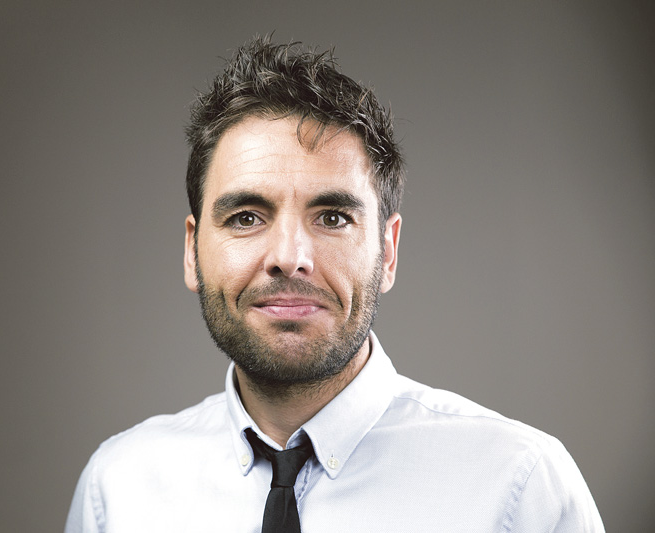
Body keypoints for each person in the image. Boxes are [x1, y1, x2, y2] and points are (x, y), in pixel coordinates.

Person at [65, 37, 604, 532]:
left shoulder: (520, 489)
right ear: (192, 251)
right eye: (246, 217)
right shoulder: (117, 490)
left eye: (332, 217)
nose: (289, 258)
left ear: (387, 252)